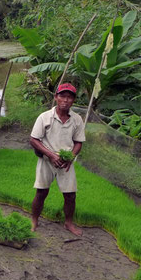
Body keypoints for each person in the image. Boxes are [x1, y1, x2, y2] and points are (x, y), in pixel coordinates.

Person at [30, 83, 85, 236]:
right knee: (41, 192)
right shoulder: (45, 117)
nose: (65, 100)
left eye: (69, 97)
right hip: (47, 160)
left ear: (73, 100)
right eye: (62, 96)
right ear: (56, 97)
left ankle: (68, 223)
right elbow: (34, 139)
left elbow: (79, 142)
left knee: (70, 195)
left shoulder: (77, 119)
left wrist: (71, 156)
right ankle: (34, 220)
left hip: (66, 163)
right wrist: (51, 155)